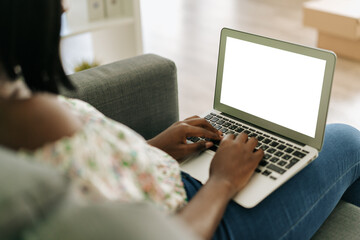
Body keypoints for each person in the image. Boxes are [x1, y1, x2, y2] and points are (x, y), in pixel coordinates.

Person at [0, 0, 359, 239]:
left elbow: (89, 176)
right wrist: (222, 180)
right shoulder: (22, 124)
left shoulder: (15, 101)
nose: (62, 6)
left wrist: (153, 148)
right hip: (203, 221)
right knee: (347, 140)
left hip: (171, 184)